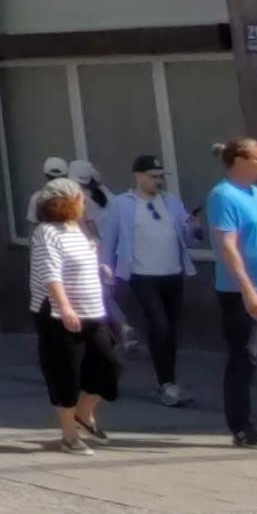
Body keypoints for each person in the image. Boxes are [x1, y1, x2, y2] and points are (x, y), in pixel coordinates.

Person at [207, 138, 257, 449]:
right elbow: (227, 247)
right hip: (242, 293)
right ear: (240, 161)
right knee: (245, 359)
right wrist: (248, 290)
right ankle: (241, 427)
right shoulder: (222, 196)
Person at [97, 154, 195, 408]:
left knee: (171, 329)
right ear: (138, 177)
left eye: (160, 177)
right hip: (142, 275)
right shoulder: (123, 204)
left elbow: (189, 234)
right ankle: (166, 383)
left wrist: (193, 226)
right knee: (159, 326)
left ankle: (169, 380)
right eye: (153, 177)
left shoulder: (171, 202)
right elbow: (109, 238)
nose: (157, 181)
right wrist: (105, 269)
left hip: (173, 273)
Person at [29, 181, 116, 451]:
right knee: (64, 372)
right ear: (66, 201)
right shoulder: (46, 232)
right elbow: (50, 273)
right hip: (57, 313)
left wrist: (99, 267)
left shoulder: (77, 228)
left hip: (92, 309)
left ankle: (83, 411)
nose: (85, 202)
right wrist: (64, 306)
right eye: (80, 198)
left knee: (110, 364)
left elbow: (81, 261)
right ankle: (70, 436)